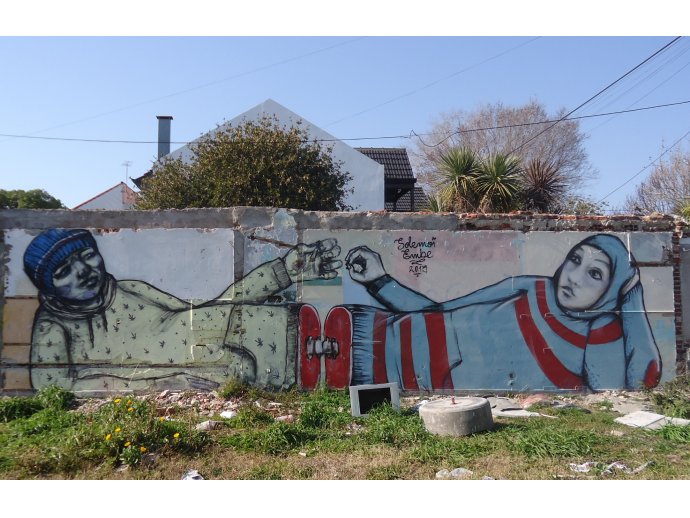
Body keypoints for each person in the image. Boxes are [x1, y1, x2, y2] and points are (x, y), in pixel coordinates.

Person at [23, 228, 341, 393]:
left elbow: (208, 311)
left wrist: (283, 271)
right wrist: (167, 384)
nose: (83, 271)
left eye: (86, 255)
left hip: (290, 331)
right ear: (48, 286)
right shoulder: (53, 328)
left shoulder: (128, 288)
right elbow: (54, 388)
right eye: (63, 270)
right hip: (265, 372)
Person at [333, 234, 661, 392]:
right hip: (367, 328)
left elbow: (640, 382)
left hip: (391, 378)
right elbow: (442, 310)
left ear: (613, 288)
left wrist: (631, 297)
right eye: (575, 259)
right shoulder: (530, 286)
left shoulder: (601, 332)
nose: (574, 277)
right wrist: (380, 281)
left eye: (595, 274)